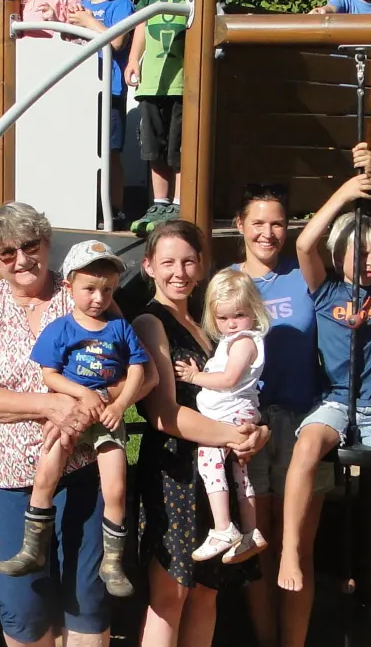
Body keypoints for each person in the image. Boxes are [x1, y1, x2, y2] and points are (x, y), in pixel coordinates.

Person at [0, 203, 127, 647]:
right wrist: (51, 404)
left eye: (29, 246)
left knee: (87, 598)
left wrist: (88, 406)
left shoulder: (81, 289)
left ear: (47, 244)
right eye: (6, 253)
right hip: (10, 474)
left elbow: (122, 373)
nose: (20, 260)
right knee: (24, 607)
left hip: (83, 466)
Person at [135, 219, 270, 647]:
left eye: (189, 261)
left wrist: (254, 432)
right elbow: (163, 414)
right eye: (168, 262)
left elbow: (235, 394)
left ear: (202, 266)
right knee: (171, 593)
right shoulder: (150, 322)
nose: (180, 272)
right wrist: (232, 436)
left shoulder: (210, 326)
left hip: (215, 471)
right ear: (149, 267)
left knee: (207, 592)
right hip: (174, 468)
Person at [277, 144, 371, 596]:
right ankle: (291, 548)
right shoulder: (325, 287)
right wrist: (344, 193)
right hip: (335, 398)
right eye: (360, 255)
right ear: (340, 255)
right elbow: (305, 242)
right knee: (308, 447)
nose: (370, 263)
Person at [0, 239, 147, 598]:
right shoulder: (61, 328)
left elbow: (139, 368)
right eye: (90, 289)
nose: (99, 298)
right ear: (69, 286)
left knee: (116, 487)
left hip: (107, 420)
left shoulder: (118, 328)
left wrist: (118, 404)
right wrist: (82, 394)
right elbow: (49, 374)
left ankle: (112, 563)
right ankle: (33, 549)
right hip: (67, 415)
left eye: (107, 290)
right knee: (46, 475)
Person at [228, 184, 331, 647]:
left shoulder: (305, 275)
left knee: (299, 548)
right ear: (240, 227)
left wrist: (354, 185)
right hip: (249, 424)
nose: (268, 233)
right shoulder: (228, 281)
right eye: (258, 223)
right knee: (259, 544)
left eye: (277, 223)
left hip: (302, 421)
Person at [127, 0, 208, 236]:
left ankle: (178, 201)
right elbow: (142, 23)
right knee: (154, 145)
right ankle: (159, 202)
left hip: (186, 80)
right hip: (154, 78)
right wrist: (134, 59)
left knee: (180, 145)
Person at [182, 268, 269, 564]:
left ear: (254, 311)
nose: (231, 324)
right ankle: (250, 531)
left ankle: (223, 528)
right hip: (236, 412)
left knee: (209, 460)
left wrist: (195, 377)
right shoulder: (235, 340)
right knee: (239, 473)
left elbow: (230, 379)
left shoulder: (244, 341)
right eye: (223, 318)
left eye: (239, 315)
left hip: (230, 413)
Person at [72, 0, 136, 226]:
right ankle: (85, 204)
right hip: (80, 92)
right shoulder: (76, 4)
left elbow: (117, 41)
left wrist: (87, 22)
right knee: (82, 151)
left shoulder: (121, 5)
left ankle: (115, 209)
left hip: (108, 91)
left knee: (109, 153)